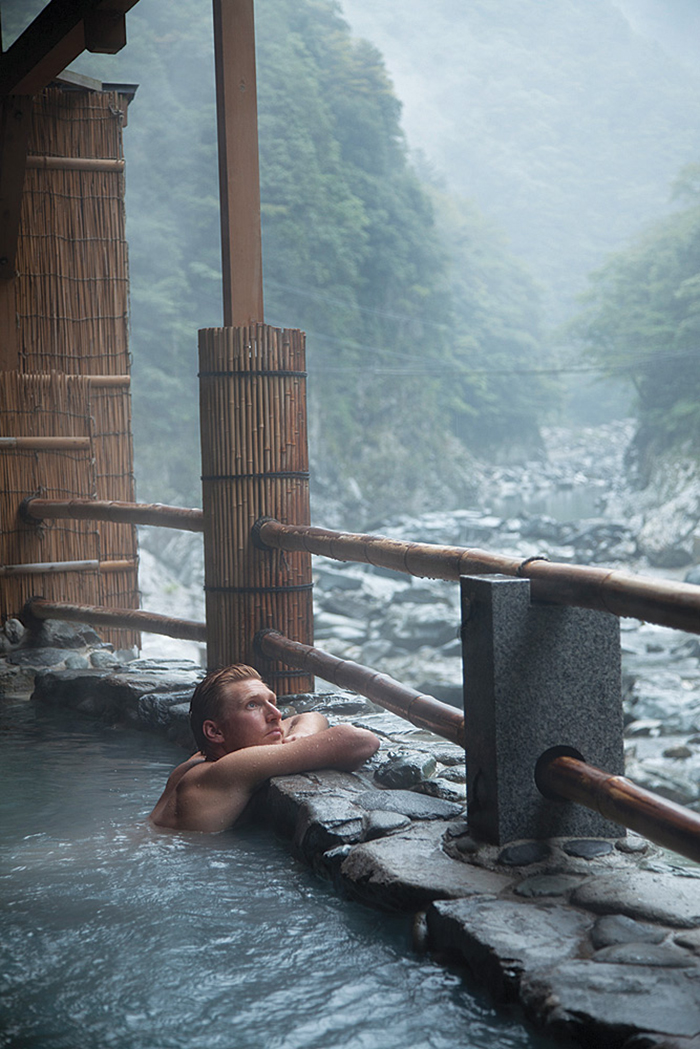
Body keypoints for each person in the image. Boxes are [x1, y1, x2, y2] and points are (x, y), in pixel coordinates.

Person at [149, 663, 380, 833]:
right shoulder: (231, 768)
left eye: (272, 701)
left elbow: (310, 716)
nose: (276, 714)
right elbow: (359, 741)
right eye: (253, 705)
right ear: (215, 732)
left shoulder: (199, 760)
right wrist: (303, 744)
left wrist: (302, 735)